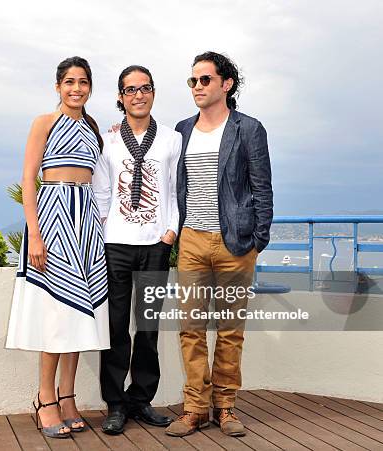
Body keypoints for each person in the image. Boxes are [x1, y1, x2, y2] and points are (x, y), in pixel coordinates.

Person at [165, 51, 273, 438]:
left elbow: (262, 187)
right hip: (192, 239)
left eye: (204, 80)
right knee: (190, 327)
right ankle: (195, 408)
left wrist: (258, 240)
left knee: (230, 329)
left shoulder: (249, 128)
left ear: (226, 84)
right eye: (192, 81)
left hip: (236, 243)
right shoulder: (181, 129)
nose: (197, 87)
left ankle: (225, 407)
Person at [5, 56, 110, 439]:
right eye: (69, 81)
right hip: (52, 215)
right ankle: (45, 399)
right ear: (57, 86)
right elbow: (28, 180)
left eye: (83, 82)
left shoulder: (94, 127)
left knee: (80, 312)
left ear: (90, 87)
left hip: (86, 220)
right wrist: (34, 233)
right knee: (56, 310)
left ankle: (68, 397)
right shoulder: (44, 123)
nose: (76, 88)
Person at [93, 65, 181, 435]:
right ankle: (115, 404)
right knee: (115, 327)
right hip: (117, 244)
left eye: (145, 88)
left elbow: (176, 189)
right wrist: (101, 236)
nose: (138, 95)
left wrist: (171, 231)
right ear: (120, 97)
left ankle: (141, 399)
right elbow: (101, 192)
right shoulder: (109, 140)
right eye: (130, 90)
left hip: (156, 246)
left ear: (154, 92)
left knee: (147, 328)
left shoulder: (172, 139)